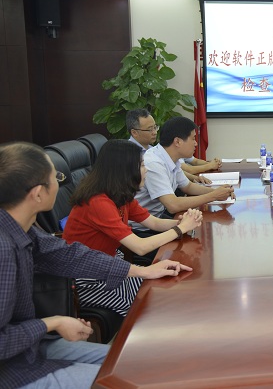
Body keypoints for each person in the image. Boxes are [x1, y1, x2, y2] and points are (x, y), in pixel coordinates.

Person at [0, 142, 192, 388]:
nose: (60, 184)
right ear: (38, 194)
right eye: (56, 178)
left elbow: (71, 255)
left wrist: (142, 271)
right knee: (132, 381)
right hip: (12, 369)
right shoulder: (4, 249)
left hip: (31, 348)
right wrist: (53, 323)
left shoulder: (23, 230)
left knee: (141, 364)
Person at [62, 139, 203, 316]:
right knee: (146, 307)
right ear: (124, 169)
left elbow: (153, 222)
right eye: (142, 165)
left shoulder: (119, 195)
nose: (146, 170)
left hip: (111, 265)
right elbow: (140, 247)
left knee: (162, 290)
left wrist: (182, 223)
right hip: (87, 278)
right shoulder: (98, 202)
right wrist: (180, 229)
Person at [134, 116, 234, 226]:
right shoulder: (153, 162)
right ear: (177, 142)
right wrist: (214, 196)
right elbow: (173, 205)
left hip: (160, 218)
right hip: (144, 228)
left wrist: (219, 192)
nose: (196, 143)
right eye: (193, 139)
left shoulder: (170, 157)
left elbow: (188, 187)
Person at [126, 108, 222, 183]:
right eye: (150, 129)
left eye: (155, 127)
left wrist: (196, 178)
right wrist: (210, 166)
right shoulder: (129, 155)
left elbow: (178, 172)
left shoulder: (152, 149)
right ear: (134, 132)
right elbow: (171, 202)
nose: (154, 132)